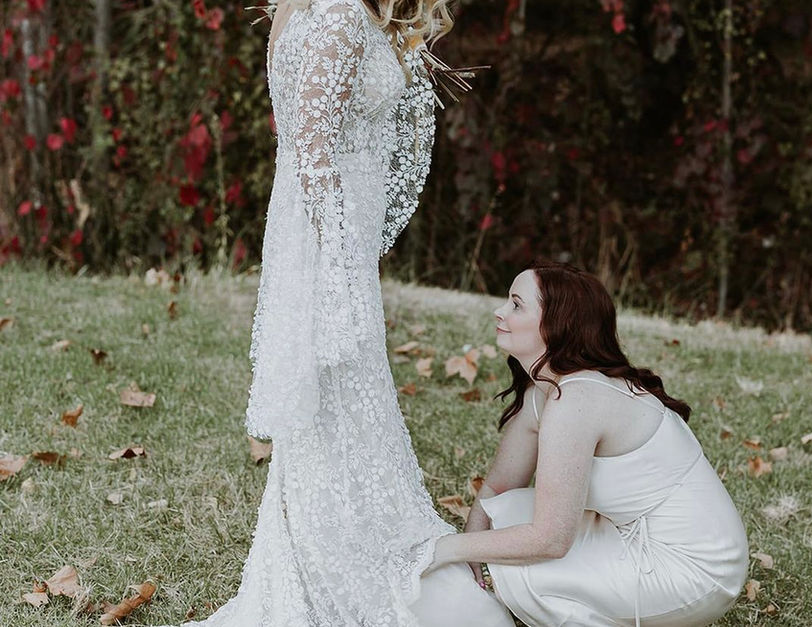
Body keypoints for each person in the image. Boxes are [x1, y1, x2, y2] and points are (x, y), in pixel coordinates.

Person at [159, 0, 512, 625]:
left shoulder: (314, 10)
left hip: (328, 242)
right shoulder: (342, 14)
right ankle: (338, 571)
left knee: (338, 410)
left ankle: (333, 548)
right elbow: (312, 147)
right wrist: (341, 257)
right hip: (328, 248)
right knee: (336, 405)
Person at [421, 260, 749, 627]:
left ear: (556, 324)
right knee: (507, 515)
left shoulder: (578, 397)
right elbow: (498, 487)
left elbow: (550, 540)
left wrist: (444, 549)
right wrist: (470, 556)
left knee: (517, 570)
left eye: (516, 304)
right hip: (630, 534)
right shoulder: (545, 390)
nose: (500, 311)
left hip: (696, 570)